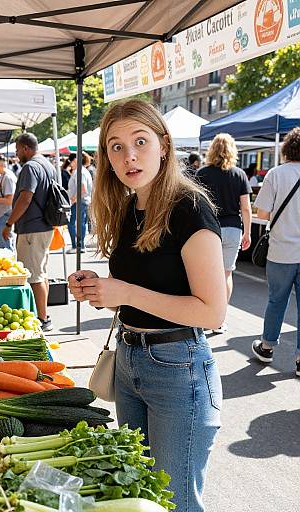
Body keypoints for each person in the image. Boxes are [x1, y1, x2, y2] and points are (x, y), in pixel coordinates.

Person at [68, 99, 226, 512]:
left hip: (179, 367)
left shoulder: (190, 208)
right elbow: (137, 291)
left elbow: (213, 312)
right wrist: (100, 291)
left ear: (164, 145)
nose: (129, 155)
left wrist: (125, 293)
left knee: (174, 504)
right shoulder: (128, 207)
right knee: (140, 494)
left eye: (140, 141)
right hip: (129, 360)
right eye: (115, 146)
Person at [251, 127, 300, 377]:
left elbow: (262, 214)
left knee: (276, 300)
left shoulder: (276, 174)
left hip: (281, 251)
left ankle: (267, 347)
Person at [196, 133, 252, 333]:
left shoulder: (202, 173)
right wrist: (248, 232)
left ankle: (202, 318)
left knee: (203, 274)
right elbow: (245, 207)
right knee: (226, 273)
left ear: (212, 150)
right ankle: (219, 320)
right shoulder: (239, 174)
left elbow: (194, 202)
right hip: (233, 228)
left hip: (207, 229)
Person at [2, 133, 55, 332]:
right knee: (41, 273)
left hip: (33, 227)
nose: (16, 154)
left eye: (17, 150)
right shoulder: (47, 165)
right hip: (43, 226)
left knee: (34, 276)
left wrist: (9, 223)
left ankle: (42, 319)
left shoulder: (30, 167)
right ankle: (44, 314)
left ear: (26, 148)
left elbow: (25, 198)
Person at [66, 152, 92, 254]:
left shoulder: (79, 172)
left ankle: (77, 245)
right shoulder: (82, 171)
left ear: (75, 160)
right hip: (83, 201)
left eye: (70, 161)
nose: (69, 164)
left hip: (79, 202)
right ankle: (80, 245)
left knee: (72, 223)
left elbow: (83, 189)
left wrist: (72, 200)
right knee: (81, 223)